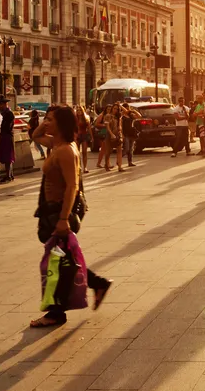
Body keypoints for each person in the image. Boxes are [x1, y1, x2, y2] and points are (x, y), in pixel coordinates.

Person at [29, 106, 112, 328]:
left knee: (58, 262)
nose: (46, 122)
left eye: (50, 119)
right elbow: (34, 136)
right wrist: (45, 122)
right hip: (53, 211)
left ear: (62, 124)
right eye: (46, 119)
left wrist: (64, 218)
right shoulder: (55, 144)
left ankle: (56, 312)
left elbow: (72, 187)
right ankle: (98, 283)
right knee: (63, 258)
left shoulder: (66, 150)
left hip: (59, 211)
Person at [0, 96, 16, 182]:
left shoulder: (9, 113)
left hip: (7, 136)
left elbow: (7, 126)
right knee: (6, 156)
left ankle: (9, 175)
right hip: (3, 135)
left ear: (5, 104)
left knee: (8, 156)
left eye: (1, 104)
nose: (0, 106)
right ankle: (10, 175)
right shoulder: (2, 113)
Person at [120, 103, 141, 168]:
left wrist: (134, 111)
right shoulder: (121, 116)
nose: (127, 109)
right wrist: (122, 134)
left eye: (128, 107)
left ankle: (130, 162)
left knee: (131, 149)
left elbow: (139, 116)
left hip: (132, 134)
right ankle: (119, 159)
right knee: (126, 149)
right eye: (126, 108)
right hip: (125, 134)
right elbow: (120, 126)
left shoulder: (131, 115)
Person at [75, 106, 91, 172]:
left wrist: (91, 137)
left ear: (82, 111)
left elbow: (89, 128)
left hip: (84, 135)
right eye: (78, 110)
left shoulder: (86, 118)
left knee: (84, 152)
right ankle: (78, 166)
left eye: (80, 110)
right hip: (77, 136)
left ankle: (85, 167)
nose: (79, 111)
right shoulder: (75, 119)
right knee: (77, 153)